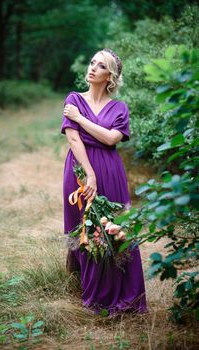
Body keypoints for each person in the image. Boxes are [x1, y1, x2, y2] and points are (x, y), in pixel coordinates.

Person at [61, 48, 147, 316]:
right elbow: (73, 139)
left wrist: (80, 119)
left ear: (110, 76)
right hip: (79, 170)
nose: (92, 68)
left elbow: (112, 139)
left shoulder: (119, 108)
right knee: (85, 229)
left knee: (116, 229)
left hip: (111, 171)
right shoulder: (74, 99)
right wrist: (90, 174)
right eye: (92, 63)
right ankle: (93, 295)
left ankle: (125, 296)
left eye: (100, 66)